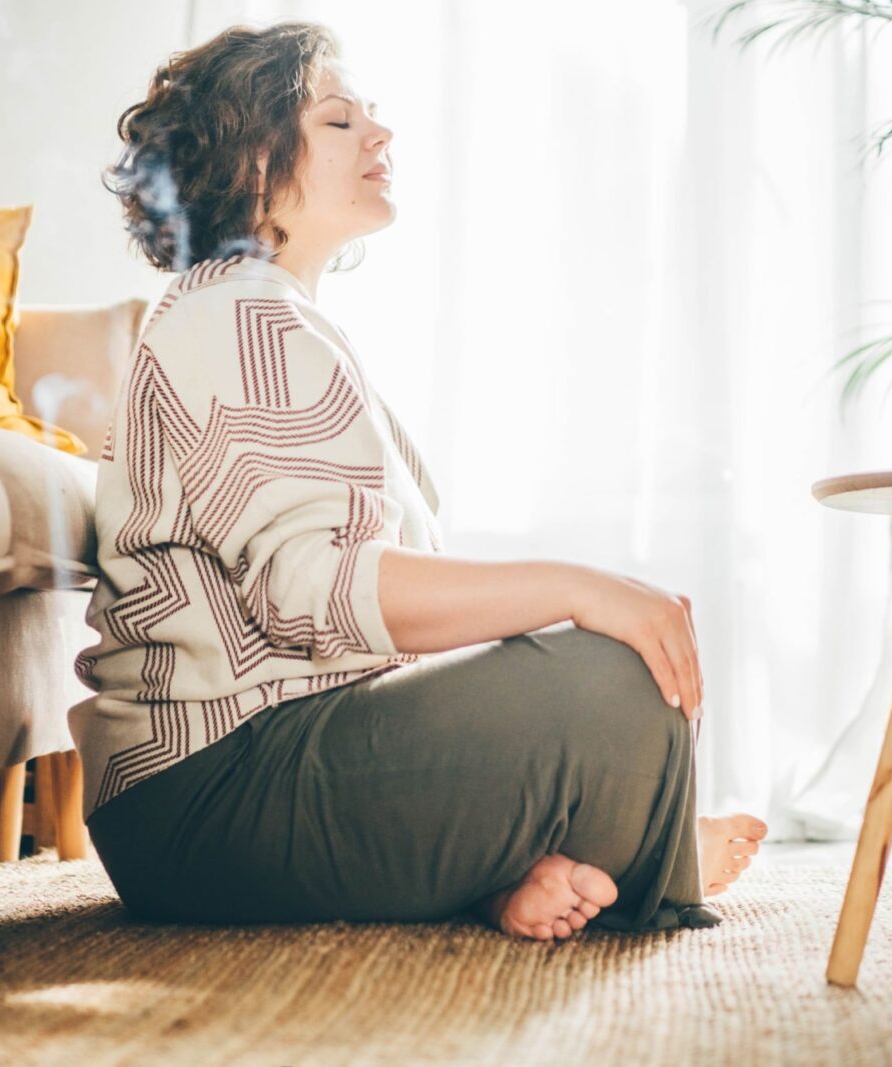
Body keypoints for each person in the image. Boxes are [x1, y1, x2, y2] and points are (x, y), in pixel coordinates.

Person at [69, 19, 767, 943]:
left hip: (229, 785)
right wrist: (578, 589)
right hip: (207, 795)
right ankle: (646, 854)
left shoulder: (263, 316)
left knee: (583, 654)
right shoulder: (239, 317)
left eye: (372, 119)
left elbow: (360, 631)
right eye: (337, 122)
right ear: (249, 163)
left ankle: (497, 878)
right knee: (612, 678)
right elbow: (311, 599)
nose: (379, 137)